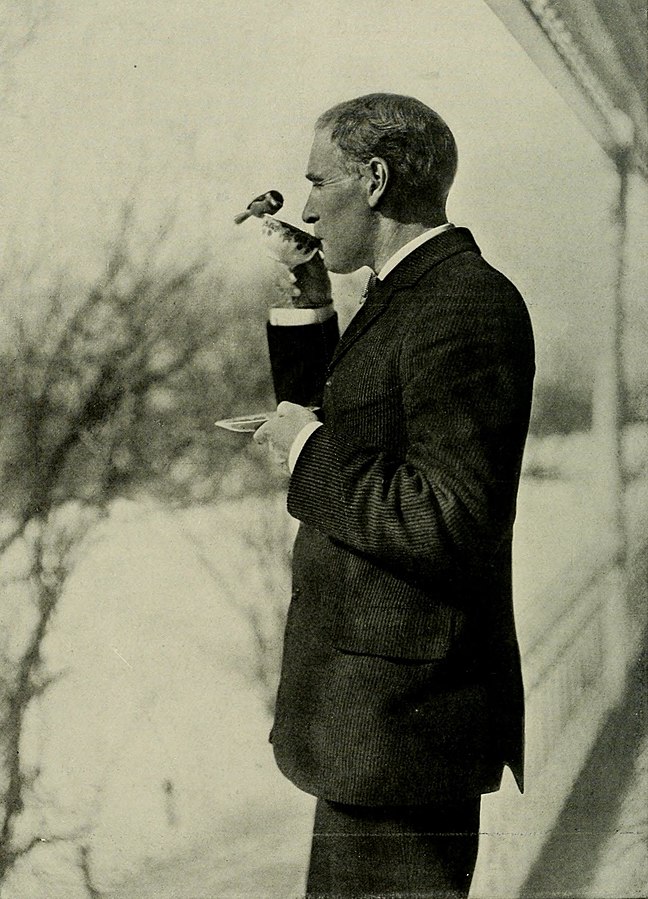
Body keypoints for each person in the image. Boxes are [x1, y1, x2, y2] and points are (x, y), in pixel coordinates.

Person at [254, 92, 535, 898]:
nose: (304, 206)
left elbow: (448, 516)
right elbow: (349, 419)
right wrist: (307, 302)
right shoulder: (408, 295)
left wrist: (305, 452)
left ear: (373, 180)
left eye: (317, 182)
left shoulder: (466, 305)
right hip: (371, 732)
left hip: (406, 738)